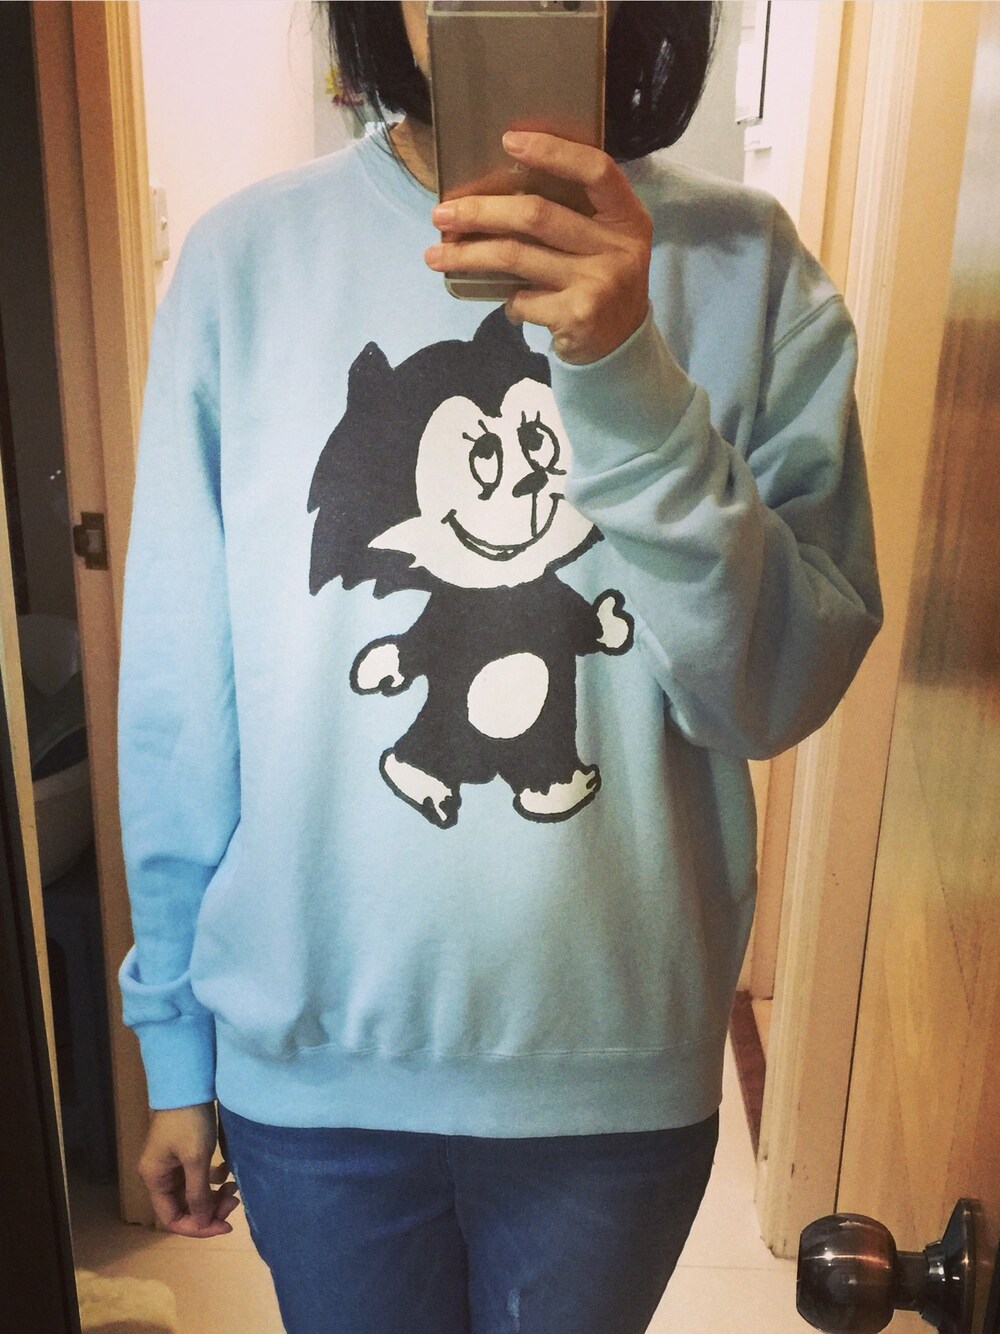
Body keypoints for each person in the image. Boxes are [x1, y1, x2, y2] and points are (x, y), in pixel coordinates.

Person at [118, 3, 882, 1331]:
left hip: (610, 1075)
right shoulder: (243, 265)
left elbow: (771, 696)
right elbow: (185, 698)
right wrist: (173, 1037)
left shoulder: (747, 268)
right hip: (314, 1068)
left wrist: (629, 378)